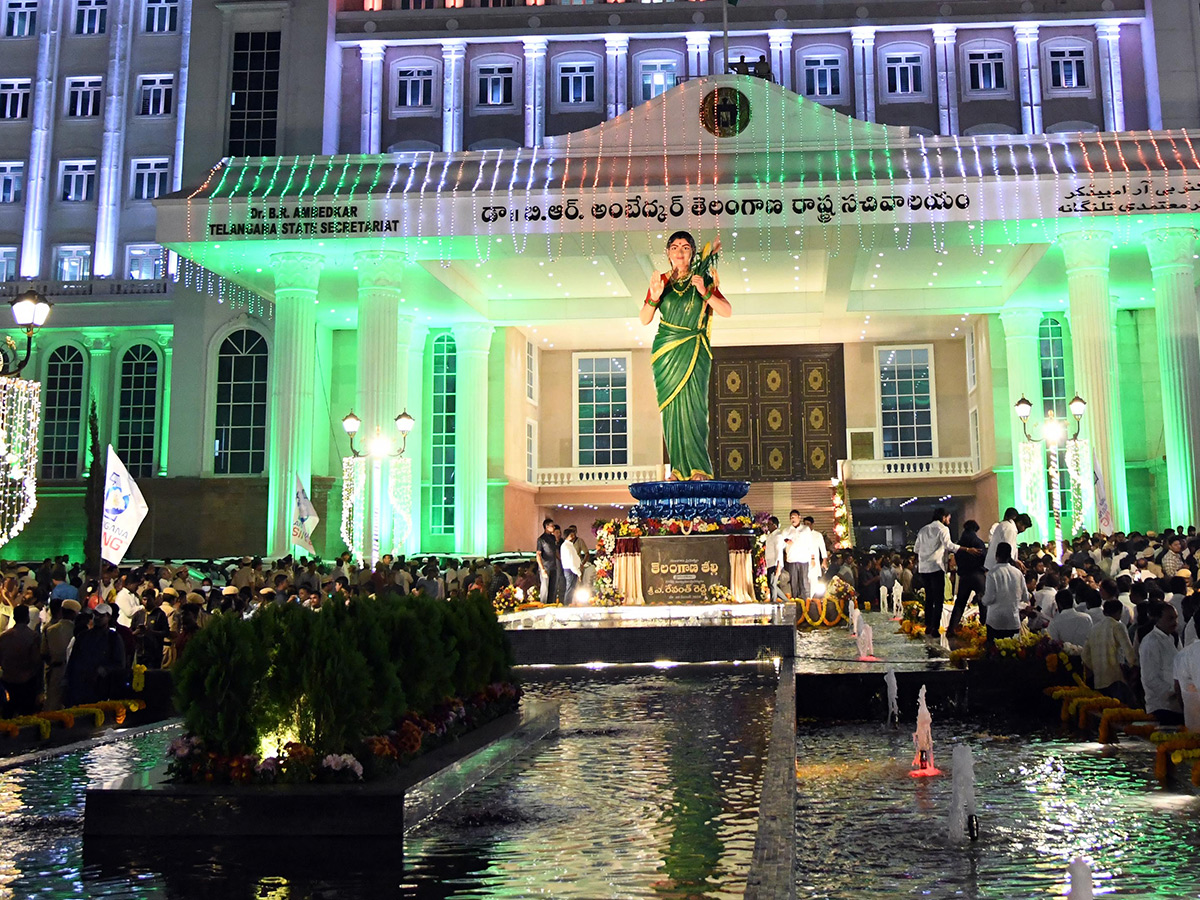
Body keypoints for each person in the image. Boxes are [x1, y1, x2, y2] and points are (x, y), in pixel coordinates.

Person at [642, 231, 731, 481]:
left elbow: (726, 311)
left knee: (694, 409)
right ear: (668, 253)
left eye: (685, 247)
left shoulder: (702, 278)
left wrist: (704, 291)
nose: (679, 252)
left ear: (692, 252)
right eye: (674, 247)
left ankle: (699, 468)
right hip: (666, 353)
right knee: (671, 412)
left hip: (694, 349)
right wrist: (655, 297)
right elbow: (644, 318)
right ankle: (678, 470)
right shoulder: (661, 281)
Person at [914, 508, 972, 636]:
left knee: (929, 598)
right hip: (936, 566)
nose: (949, 521)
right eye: (948, 518)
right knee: (938, 599)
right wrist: (967, 549)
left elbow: (916, 549)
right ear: (944, 517)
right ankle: (935, 627)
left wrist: (926, 553)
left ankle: (928, 625)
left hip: (924, 567)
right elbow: (949, 546)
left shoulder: (923, 529)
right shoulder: (943, 529)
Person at [65, 603, 126, 705]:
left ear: (108, 617)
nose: (97, 618)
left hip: (101, 687)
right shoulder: (83, 636)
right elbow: (73, 660)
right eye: (95, 615)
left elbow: (120, 664)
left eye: (101, 615)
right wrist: (66, 681)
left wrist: (102, 670)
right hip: (80, 687)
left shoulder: (113, 638)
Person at [1082, 598, 1138, 705]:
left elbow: (1085, 655)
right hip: (1116, 677)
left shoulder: (1094, 628)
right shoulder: (1117, 626)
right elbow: (1129, 651)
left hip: (1099, 679)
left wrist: (1096, 668)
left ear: (1104, 612)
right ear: (1119, 612)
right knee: (1120, 712)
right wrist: (1133, 667)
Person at [1140, 602, 1183, 724]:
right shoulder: (1151, 642)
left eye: (1176, 618)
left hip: (1176, 705)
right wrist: (1173, 691)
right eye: (1170, 618)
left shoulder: (1172, 638)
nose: (1175, 622)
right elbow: (1150, 679)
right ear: (1158, 619)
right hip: (1160, 706)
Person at [0, 604, 41, 716]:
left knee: (7, 714)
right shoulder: (33, 636)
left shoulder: (4, 636)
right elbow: (35, 660)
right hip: (26, 680)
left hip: (7, 680)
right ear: (27, 618)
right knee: (26, 716)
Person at [980, 542, 1026, 641]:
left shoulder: (992, 573)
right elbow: (1025, 597)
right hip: (1013, 621)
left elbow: (989, 599)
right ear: (1010, 556)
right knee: (1012, 653)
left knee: (994, 653)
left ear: (996, 556)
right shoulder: (1018, 573)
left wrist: (981, 599)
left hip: (995, 621)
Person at [949, 520, 987, 632]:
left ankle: (951, 629)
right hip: (977, 574)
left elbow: (957, 557)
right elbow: (984, 557)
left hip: (964, 576)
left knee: (960, 603)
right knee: (983, 602)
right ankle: (984, 628)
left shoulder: (960, 543)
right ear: (975, 529)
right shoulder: (978, 542)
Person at [41, 598, 78, 711]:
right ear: (74, 614)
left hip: (56, 670)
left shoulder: (50, 630)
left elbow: (44, 653)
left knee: (53, 704)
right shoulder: (78, 630)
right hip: (73, 671)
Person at [780, 510, 810, 600]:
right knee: (794, 583)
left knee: (804, 582)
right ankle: (795, 602)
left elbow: (810, 543)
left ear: (799, 517)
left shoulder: (805, 529)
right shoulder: (786, 530)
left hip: (803, 559)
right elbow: (781, 543)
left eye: (794, 517)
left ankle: (806, 603)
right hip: (792, 559)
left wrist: (812, 558)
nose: (792, 519)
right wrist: (786, 541)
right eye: (791, 518)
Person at [536, 518, 557, 604]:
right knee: (545, 587)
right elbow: (538, 555)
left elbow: (555, 551)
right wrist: (542, 569)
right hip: (545, 566)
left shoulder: (553, 537)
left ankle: (551, 603)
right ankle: (543, 604)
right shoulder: (541, 539)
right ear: (547, 527)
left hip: (553, 565)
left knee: (553, 587)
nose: (554, 527)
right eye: (552, 526)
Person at [764, 517, 785, 602]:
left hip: (775, 563)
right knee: (771, 584)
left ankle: (773, 603)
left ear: (775, 525)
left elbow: (779, 551)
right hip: (770, 563)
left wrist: (778, 566)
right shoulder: (770, 536)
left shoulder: (778, 536)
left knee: (773, 584)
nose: (768, 526)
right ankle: (786, 600)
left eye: (769, 524)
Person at [560, 525, 583, 606]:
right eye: (571, 535)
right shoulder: (566, 546)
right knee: (570, 589)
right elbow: (571, 560)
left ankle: (569, 604)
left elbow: (575, 557)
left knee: (572, 589)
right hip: (570, 569)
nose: (573, 537)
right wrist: (578, 572)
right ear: (567, 536)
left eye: (574, 535)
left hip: (572, 569)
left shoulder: (569, 545)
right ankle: (567, 605)